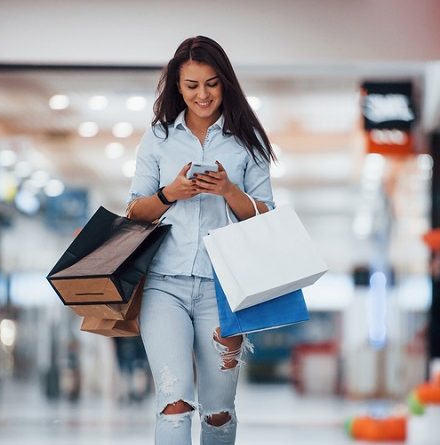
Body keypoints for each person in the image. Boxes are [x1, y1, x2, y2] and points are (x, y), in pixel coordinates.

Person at [126, 35, 276, 445]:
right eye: (191, 85)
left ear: (225, 82)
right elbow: (133, 212)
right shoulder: (158, 138)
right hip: (163, 285)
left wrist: (229, 192)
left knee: (218, 412)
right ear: (177, 85)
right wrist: (168, 194)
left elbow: (268, 217)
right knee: (174, 405)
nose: (202, 94)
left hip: (225, 290)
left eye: (211, 83)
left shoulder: (248, 142)